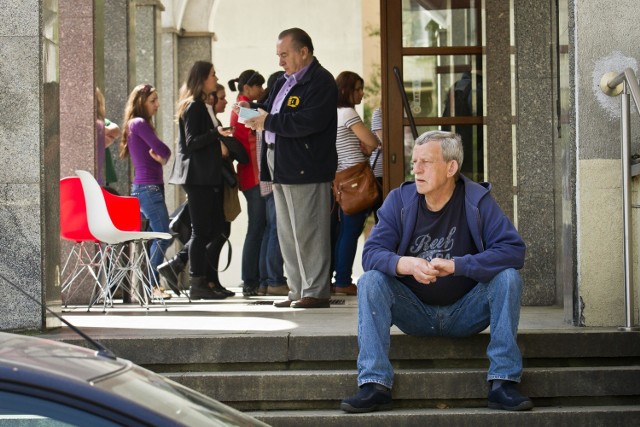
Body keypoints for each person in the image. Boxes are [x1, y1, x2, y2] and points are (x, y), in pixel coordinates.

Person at [340, 130, 532, 413]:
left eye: (426, 162)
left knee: (507, 278)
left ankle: (503, 381)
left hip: (465, 312)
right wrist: (406, 264)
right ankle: (375, 384)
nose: (416, 169)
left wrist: (458, 265)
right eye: (414, 161)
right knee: (371, 281)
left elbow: (514, 250)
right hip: (415, 310)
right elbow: (371, 254)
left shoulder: (477, 201)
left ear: (451, 167)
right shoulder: (400, 201)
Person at [243, 27, 337, 309]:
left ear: (303, 51)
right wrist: (247, 113)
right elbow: (270, 111)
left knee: (308, 230)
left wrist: (266, 121)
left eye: (284, 54)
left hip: (305, 165)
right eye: (278, 55)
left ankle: (316, 291)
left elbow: (307, 121)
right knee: (287, 231)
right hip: (280, 161)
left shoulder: (321, 82)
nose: (280, 61)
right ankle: (297, 290)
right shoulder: (284, 82)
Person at [159, 84, 236, 298]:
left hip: (208, 178)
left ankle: (187, 270)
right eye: (219, 96)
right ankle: (198, 281)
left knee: (213, 229)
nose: (223, 101)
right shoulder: (195, 108)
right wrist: (217, 134)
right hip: (200, 178)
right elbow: (193, 142)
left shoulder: (204, 110)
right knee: (204, 231)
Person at [119, 84, 172, 299]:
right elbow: (164, 150)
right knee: (163, 235)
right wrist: (163, 156)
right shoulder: (139, 123)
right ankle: (152, 285)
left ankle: (150, 286)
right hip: (148, 189)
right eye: (153, 100)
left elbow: (162, 154)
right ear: (141, 102)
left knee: (154, 238)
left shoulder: (137, 124)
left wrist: (162, 157)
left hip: (147, 188)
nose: (157, 105)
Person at [331, 71, 379, 296]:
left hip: (341, 177)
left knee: (344, 231)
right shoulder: (347, 112)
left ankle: (339, 277)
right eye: (358, 89)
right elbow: (373, 141)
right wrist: (369, 145)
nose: (361, 93)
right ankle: (342, 280)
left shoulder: (332, 113)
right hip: (355, 177)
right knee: (351, 231)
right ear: (346, 90)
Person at [228, 70, 269, 296]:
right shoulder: (243, 108)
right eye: (258, 86)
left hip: (249, 175)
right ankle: (250, 280)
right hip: (253, 175)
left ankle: (253, 279)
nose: (261, 90)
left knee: (257, 228)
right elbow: (269, 117)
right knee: (256, 228)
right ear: (247, 88)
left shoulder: (240, 106)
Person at [255, 71, 288, 297]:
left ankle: (267, 280)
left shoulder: (261, 113)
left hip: (265, 179)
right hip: (271, 177)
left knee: (271, 231)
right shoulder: (267, 114)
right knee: (277, 231)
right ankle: (275, 280)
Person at [369, 107, 383, 223]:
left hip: (393, 169)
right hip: (379, 171)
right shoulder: (378, 113)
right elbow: (385, 140)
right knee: (380, 212)